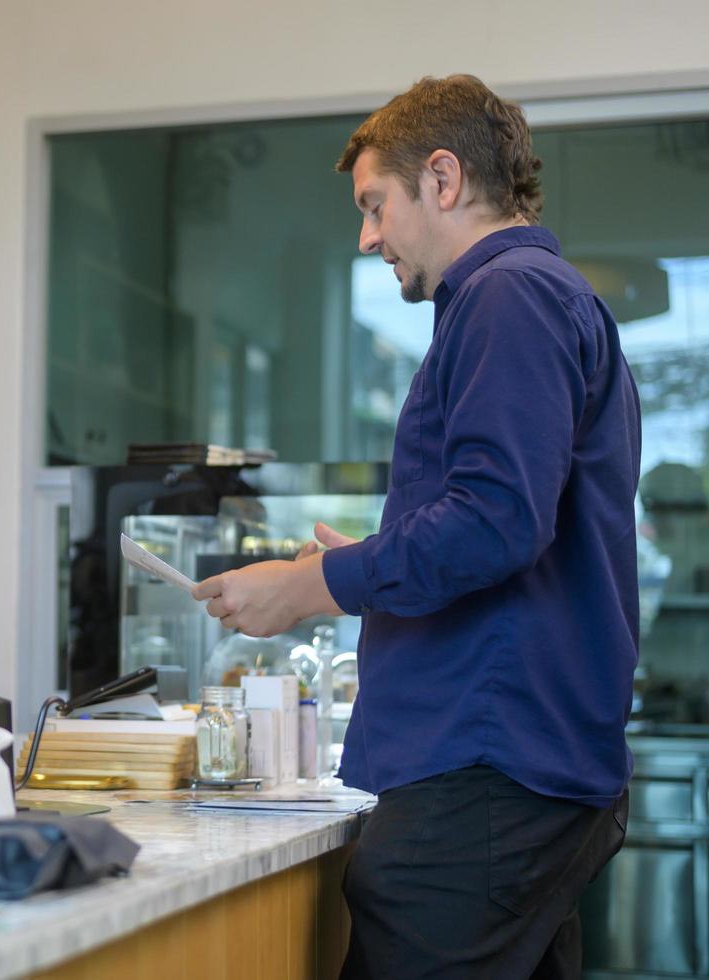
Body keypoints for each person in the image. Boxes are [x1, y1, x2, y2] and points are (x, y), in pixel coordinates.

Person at [190, 75, 639, 977]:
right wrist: (360, 563)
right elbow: (505, 520)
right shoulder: (541, 301)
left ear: (441, 178)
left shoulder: (507, 297)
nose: (366, 237)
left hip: (484, 778)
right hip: (520, 775)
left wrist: (310, 588)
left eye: (373, 205)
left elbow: (493, 523)